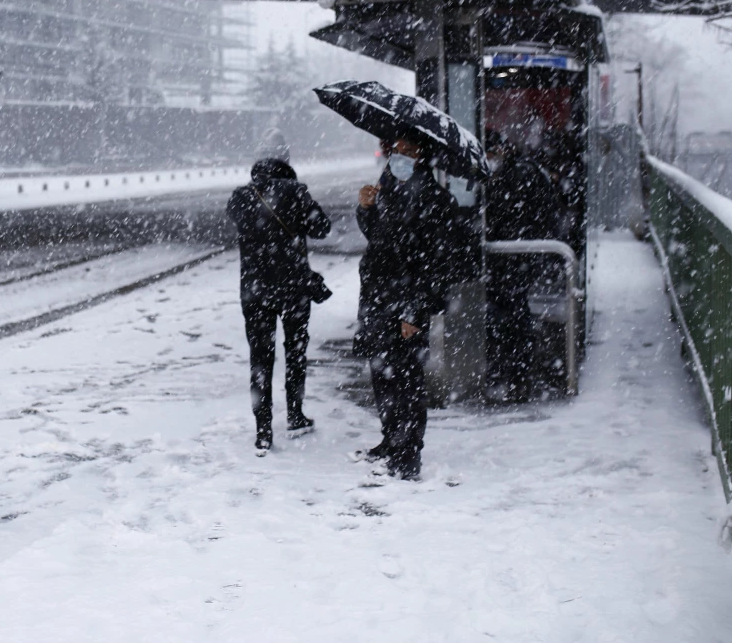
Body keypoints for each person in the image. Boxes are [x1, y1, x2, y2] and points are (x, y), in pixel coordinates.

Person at [354, 137, 462, 480]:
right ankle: (390, 439)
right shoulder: (387, 185)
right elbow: (377, 237)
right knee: (382, 374)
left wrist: (414, 312)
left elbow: (436, 263)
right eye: (397, 150)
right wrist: (366, 209)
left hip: (407, 301)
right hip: (377, 298)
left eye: (409, 152)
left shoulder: (434, 198)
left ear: (421, 157)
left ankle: (408, 452)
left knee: (408, 380)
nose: (400, 157)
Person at [227, 129, 332, 454]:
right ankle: (295, 415)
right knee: (295, 352)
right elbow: (323, 228)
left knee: (260, 358)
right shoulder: (297, 192)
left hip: (255, 290)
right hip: (293, 289)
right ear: (285, 160)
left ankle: (263, 431)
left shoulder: (241, 196)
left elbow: (239, 224)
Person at [484, 130, 561, 400]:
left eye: (491, 154)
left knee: (511, 318)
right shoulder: (523, 171)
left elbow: (509, 217)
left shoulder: (517, 176)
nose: (490, 160)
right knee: (512, 316)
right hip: (515, 261)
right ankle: (514, 375)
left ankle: (513, 376)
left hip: (513, 260)